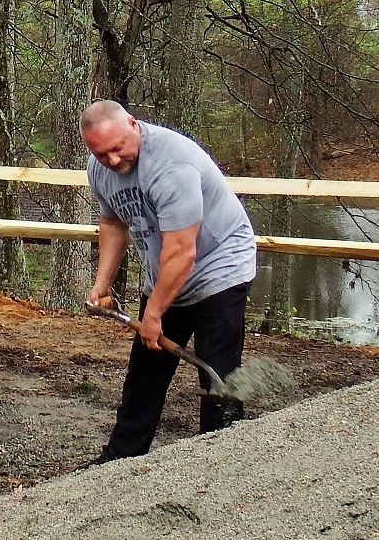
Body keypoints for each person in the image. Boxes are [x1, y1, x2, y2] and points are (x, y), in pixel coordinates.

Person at [79, 100, 258, 463]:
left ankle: (221, 459)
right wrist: (102, 283)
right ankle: (120, 458)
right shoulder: (99, 169)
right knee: (145, 371)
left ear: (133, 124)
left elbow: (182, 252)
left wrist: (154, 314)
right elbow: (113, 222)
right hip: (167, 270)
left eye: (117, 148)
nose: (112, 160)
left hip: (219, 266)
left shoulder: (171, 164)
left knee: (218, 375)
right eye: (101, 154)